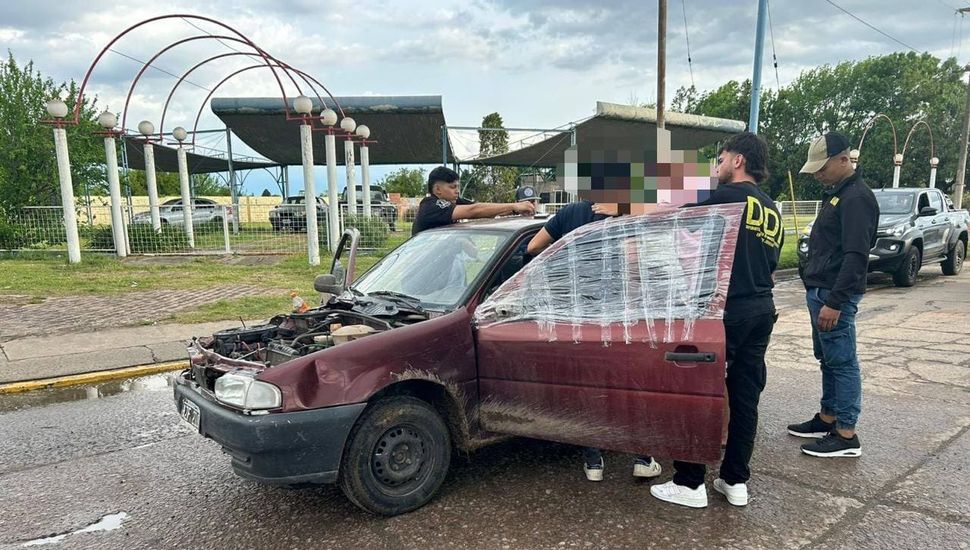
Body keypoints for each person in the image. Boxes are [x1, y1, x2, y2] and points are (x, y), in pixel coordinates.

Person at [650, 132, 782, 509]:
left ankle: (689, 483)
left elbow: (670, 215)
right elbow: (771, 266)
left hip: (724, 311)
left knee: (696, 392)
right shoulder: (771, 209)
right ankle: (735, 480)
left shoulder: (725, 197)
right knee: (744, 398)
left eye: (721, 159)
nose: (717, 167)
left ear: (738, 160)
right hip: (761, 309)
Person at [527, 200, 663, 483]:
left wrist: (565, 267)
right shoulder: (627, 212)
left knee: (589, 385)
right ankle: (642, 457)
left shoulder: (569, 213)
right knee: (628, 385)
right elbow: (635, 262)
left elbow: (533, 247)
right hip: (618, 315)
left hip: (578, 315)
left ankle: (593, 462)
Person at [787, 132, 878, 458]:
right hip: (821, 291)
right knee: (827, 359)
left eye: (822, 168)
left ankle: (846, 433)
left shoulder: (856, 198)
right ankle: (828, 417)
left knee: (842, 362)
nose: (818, 175)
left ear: (843, 159)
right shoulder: (837, 194)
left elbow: (856, 256)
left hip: (834, 296)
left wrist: (835, 302)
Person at [411, 167, 535, 236]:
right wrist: (514, 205)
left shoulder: (454, 201)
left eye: (458, 187)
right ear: (437, 189)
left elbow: (483, 211)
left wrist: (514, 211)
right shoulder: (430, 206)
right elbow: (474, 210)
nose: (457, 191)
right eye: (453, 187)